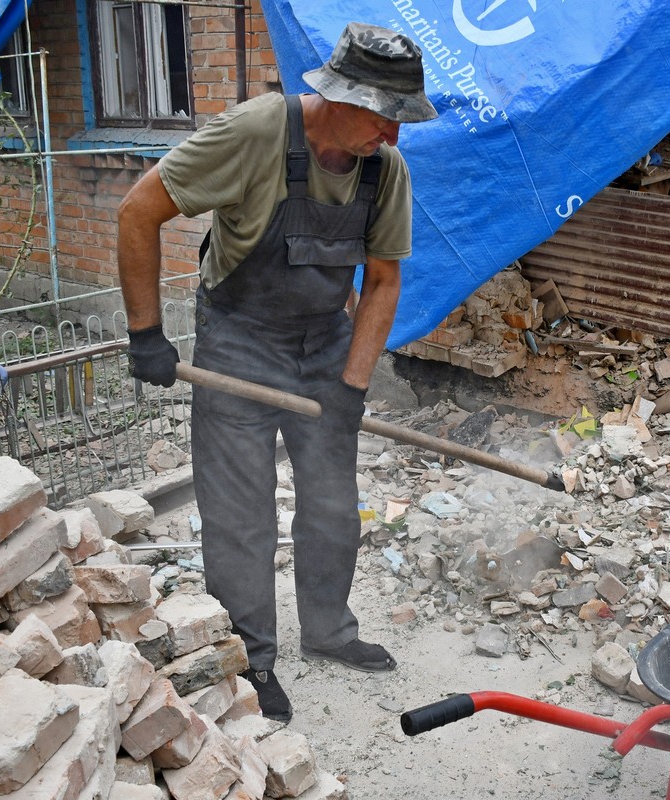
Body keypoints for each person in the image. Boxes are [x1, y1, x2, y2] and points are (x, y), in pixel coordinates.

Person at [116, 22, 437, 722]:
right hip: (239, 337)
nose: (393, 135)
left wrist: (352, 386)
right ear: (343, 97)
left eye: (400, 121)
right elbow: (139, 210)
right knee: (241, 513)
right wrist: (146, 333)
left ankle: (329, 631)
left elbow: (382, 284)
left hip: (324, 342)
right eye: (385, 117)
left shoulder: (385, 169)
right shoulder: (256, 132)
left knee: (330, 502)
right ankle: (250, 657)